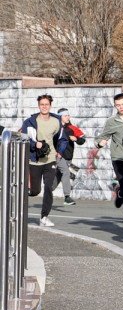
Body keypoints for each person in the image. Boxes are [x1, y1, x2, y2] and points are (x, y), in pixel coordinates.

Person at [98, 91, 123, 232]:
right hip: (119, 159)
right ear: (115, 106)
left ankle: (120, 192)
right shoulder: (111, 122)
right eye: (118, 105)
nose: (121, 107)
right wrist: (100, 143)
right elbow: (101, 137)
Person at [20, 94, 61, 227]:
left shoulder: (56, 122)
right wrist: (35, 144)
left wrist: (59, 151)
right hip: (34, 161)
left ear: (50, 105)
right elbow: (23, 138)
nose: (44, 107)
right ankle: (22, 196)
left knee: (49, 187)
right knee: (35, 191)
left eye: (46, 104)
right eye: (42, 104)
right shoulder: (30, 122)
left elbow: (60, 138)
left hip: (50, 159)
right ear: (38, 106)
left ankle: (44, 217)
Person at [53, 107, 86, 207]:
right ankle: (67, 197)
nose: (68, 117)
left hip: (68, 157)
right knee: (66, 172)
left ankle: (48, 190)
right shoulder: (54, 128)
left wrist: (76, 139)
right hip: (57, 155)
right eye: (65, 116)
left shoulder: (72, 128)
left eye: (68, 115)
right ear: (60, 117)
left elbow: (82, 140)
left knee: (59, 176)